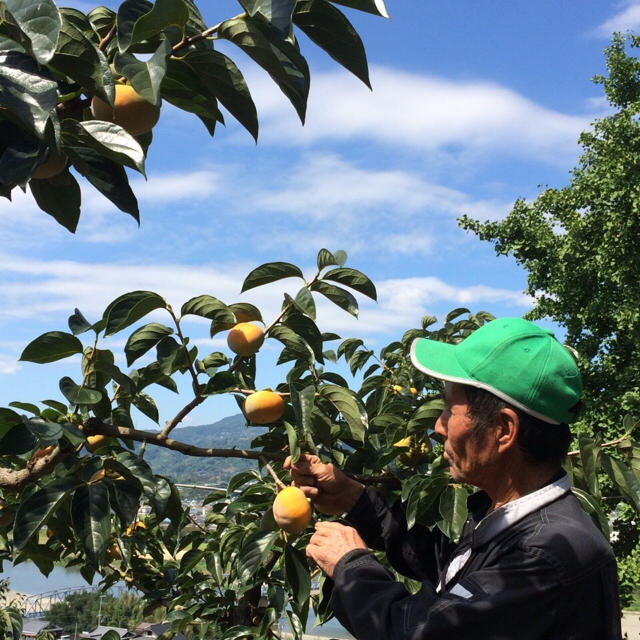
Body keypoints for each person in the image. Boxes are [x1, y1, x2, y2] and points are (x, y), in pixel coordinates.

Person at [286, 317, 622, 640]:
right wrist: (353, 498)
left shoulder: (545, 557)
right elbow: (446, 563)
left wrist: (351, 564)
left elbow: (421, 632)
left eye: (450, 410)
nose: (438, 426)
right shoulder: (508, 518)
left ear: (503, 430)